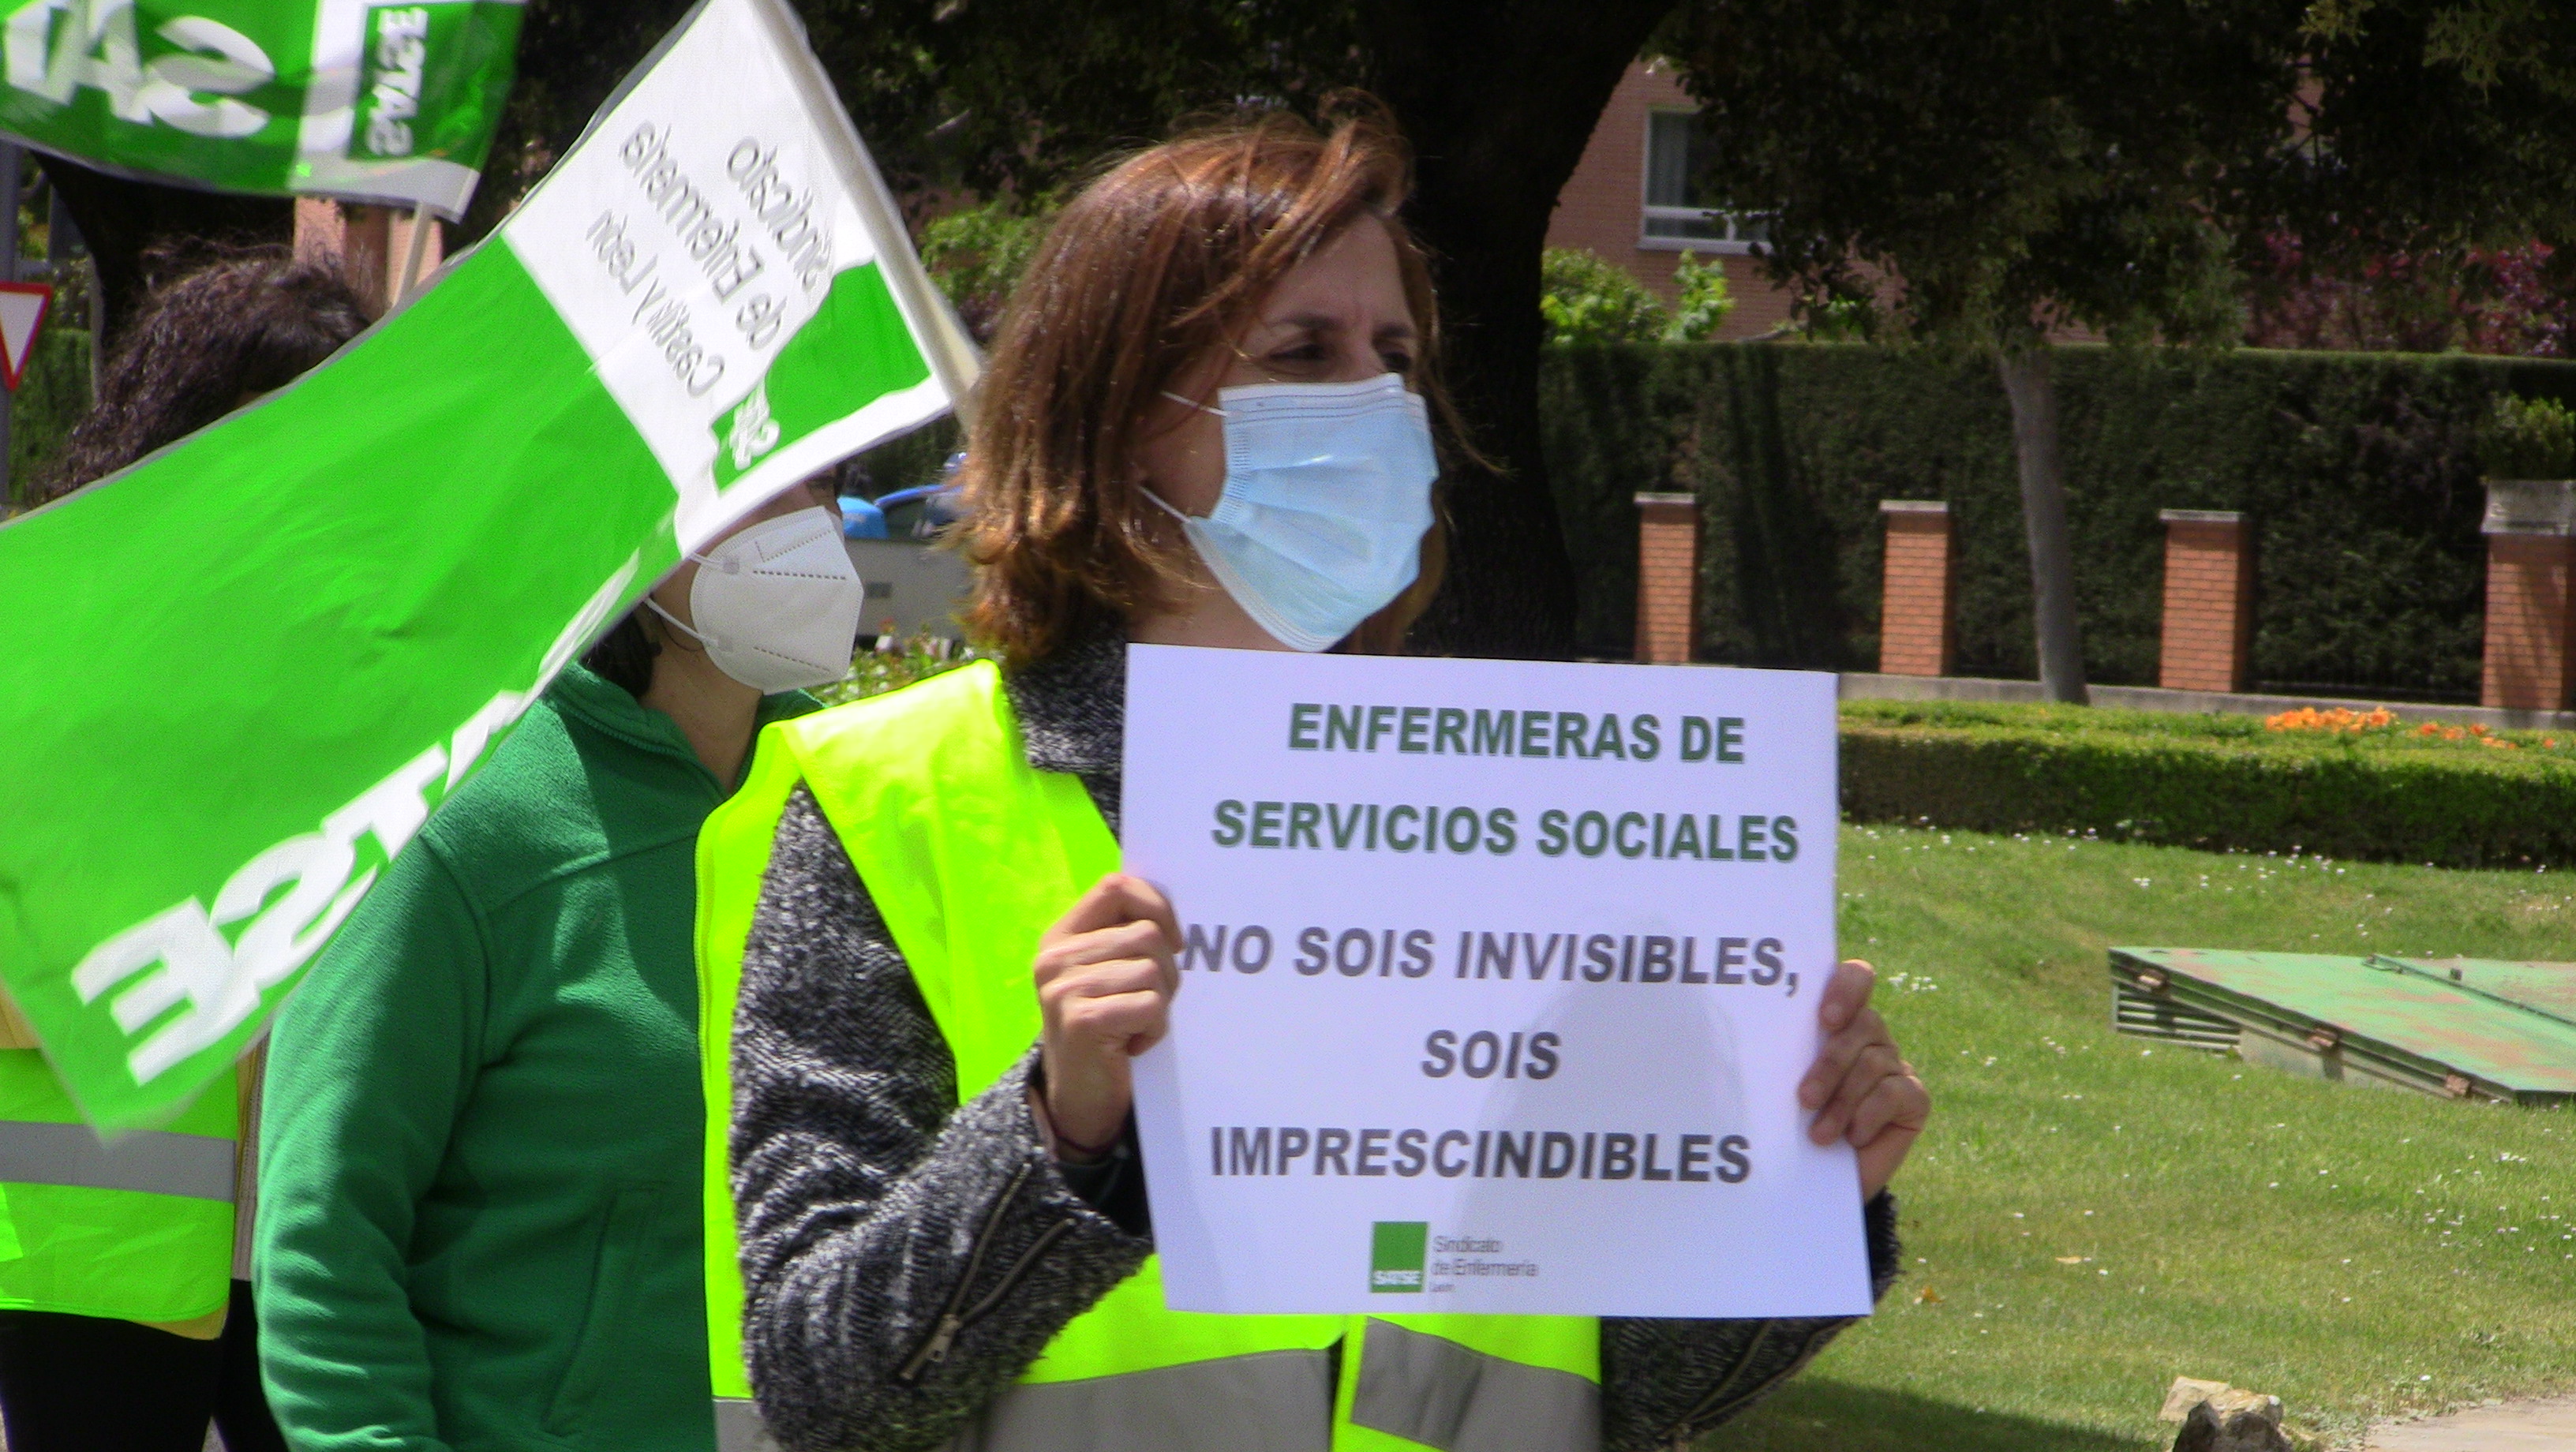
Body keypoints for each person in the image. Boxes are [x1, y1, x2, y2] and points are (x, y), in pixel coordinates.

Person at [700, 107, 1932, 1452]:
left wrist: (1806, 1193)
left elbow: (1607, 1392)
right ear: (1117, 416)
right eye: (1302, 352)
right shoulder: (888, 800)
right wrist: (1061, 1134)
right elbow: (818, 1385)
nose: (1372, 402)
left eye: (1393, 357)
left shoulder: (1527, 826)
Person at [255, 468, 867, 1452]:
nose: (809, 528)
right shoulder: (458, 822)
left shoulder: (854, 801)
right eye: (757, 481)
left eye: (823, 481)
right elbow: (325, 1250)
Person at [0, 249, 369, 1452]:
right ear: (182, 429)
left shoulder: (377, 663)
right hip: (81, 1275)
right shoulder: (42, 630)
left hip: (315, 1249)